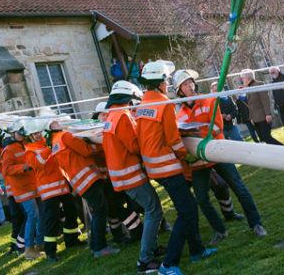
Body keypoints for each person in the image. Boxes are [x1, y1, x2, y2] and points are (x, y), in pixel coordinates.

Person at [135, 60, 215, 275]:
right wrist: (187, 156)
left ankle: (197, 250)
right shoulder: (163, 103)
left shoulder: (143, 104)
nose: (168, 84)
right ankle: (168, 265)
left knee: (188, 207)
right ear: (161, 82)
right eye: (167, 80)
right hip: (167, 167)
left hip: (153, 167)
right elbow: (173, 139)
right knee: (187, 211)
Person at [174, 69, 267, 248]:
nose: (190, 86)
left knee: (239, 188)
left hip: (217, 152)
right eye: (185, 84)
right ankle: (219, 230)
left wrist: (201, 137)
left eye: (190, 82)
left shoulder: (209, 100)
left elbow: (217, 126)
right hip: (198, 161)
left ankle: (256, 224)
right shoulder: (180, 115)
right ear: (180, 91)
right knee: (201, 198)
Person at [101, 80, 164, 274]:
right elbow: (134, 146)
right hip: (131, 174)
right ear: (129, 99)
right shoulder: (123, 116)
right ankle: (145, 260)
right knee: (154, 209)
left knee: (152, 208)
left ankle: (152, 248)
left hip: (120, 175)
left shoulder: (110, 116)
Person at [51, 120, 120, 258]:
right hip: (88, 178)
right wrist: (101, 144)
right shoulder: (65, 136)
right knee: (100, 211)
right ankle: (100, 247)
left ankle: (97, 244)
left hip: (79, 181)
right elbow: (85, 150)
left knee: (97, 212)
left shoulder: (55, 141)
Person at [23, 116, 82, 262]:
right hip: (49, 191)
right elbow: (38, 163)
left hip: (62, 185)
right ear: (29, 136)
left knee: (71, 212)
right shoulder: (29, 151)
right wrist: (48, 148)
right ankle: (50, 251)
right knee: (52, 220)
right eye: (34, 134)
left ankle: (71, 240)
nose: (37, 135)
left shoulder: (46, 142)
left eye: (38, 132)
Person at [2, 126, 43, 260]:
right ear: (13, 133)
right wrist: (23, 167)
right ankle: (29, 249)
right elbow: (7, 170)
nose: (21, 135)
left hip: (33, 186)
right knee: (33, 215)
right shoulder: (9, 150)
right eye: (18, 133)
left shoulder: (25, 145)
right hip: (22, 189)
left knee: (39, 215)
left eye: (22, 132)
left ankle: (40, 245)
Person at [0, 136, 25, 255]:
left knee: (23, 218)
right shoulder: (5, 153)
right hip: (14, 192)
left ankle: (17, 245)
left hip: (20, 190)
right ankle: (15, 245)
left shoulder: (16, 148)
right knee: (18, 219)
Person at [241, 69, 283, 145]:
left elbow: (265, 100)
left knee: (267, 138)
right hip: (255, 119)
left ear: (248, 77)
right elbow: (251, 105)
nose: (242, 79)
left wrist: (268, 114)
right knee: (263, 139)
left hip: (263, 117)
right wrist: (251, 118)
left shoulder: (259, 84)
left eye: (243, 77)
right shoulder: (247, 88)